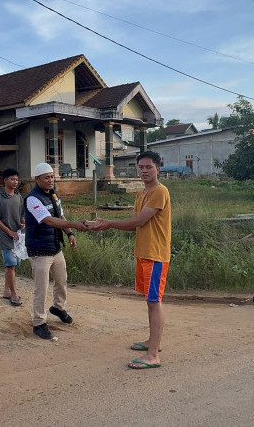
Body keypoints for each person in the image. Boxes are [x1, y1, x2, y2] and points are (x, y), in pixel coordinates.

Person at [87, 151, 171, 369]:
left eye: (148, 167)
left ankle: (153, 355)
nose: (144, 171)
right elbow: (134, 220)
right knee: (150, 301)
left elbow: (140, 221)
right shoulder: (142, 193)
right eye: (141, 167)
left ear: (158, 169)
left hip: (155, 254)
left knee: (155, 301)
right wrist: (108, 221)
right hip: (144, 252)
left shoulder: (159, 192)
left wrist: (108, 224)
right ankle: (153, 343)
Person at [25, 162, 88, 340]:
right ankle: (39, 322)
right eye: (46, 177)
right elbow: (48, 220)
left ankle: (58, 308)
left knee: (62, 281)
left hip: (55, 247)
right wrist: (74, 224)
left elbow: (60, 216)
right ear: (37, 179)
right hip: (39, 249)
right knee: (41, 288)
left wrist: (70, 233)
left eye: (52, 176)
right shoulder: (32, 199)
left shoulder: (53, 194)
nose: (50, 180)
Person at [0, 168, 25, 306]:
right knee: (10, 265)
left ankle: (6, 291)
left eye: (16, 179)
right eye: (12, 179)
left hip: (17, 236)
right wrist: (8, 231)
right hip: (5, 236)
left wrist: (22, 223)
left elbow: (21, 214)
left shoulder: (18, 196)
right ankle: (14, 294)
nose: (15, 182)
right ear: (5, 180)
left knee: (13, 265)